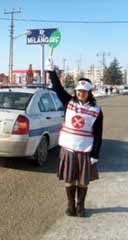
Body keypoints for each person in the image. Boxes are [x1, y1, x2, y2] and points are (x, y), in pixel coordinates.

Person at [47, 58, 103, 217]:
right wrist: (51, 71)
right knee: (69, 180)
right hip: (69, 148)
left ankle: (81, 207)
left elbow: (98, 134)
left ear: (89, 92)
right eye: (78, 90)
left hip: (85, 150)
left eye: (84, 91)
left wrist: (95, 154)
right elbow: (58, 89)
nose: (80, 93)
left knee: (83, 181)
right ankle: (70, 206)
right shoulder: (69, 102)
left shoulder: (97, 110)